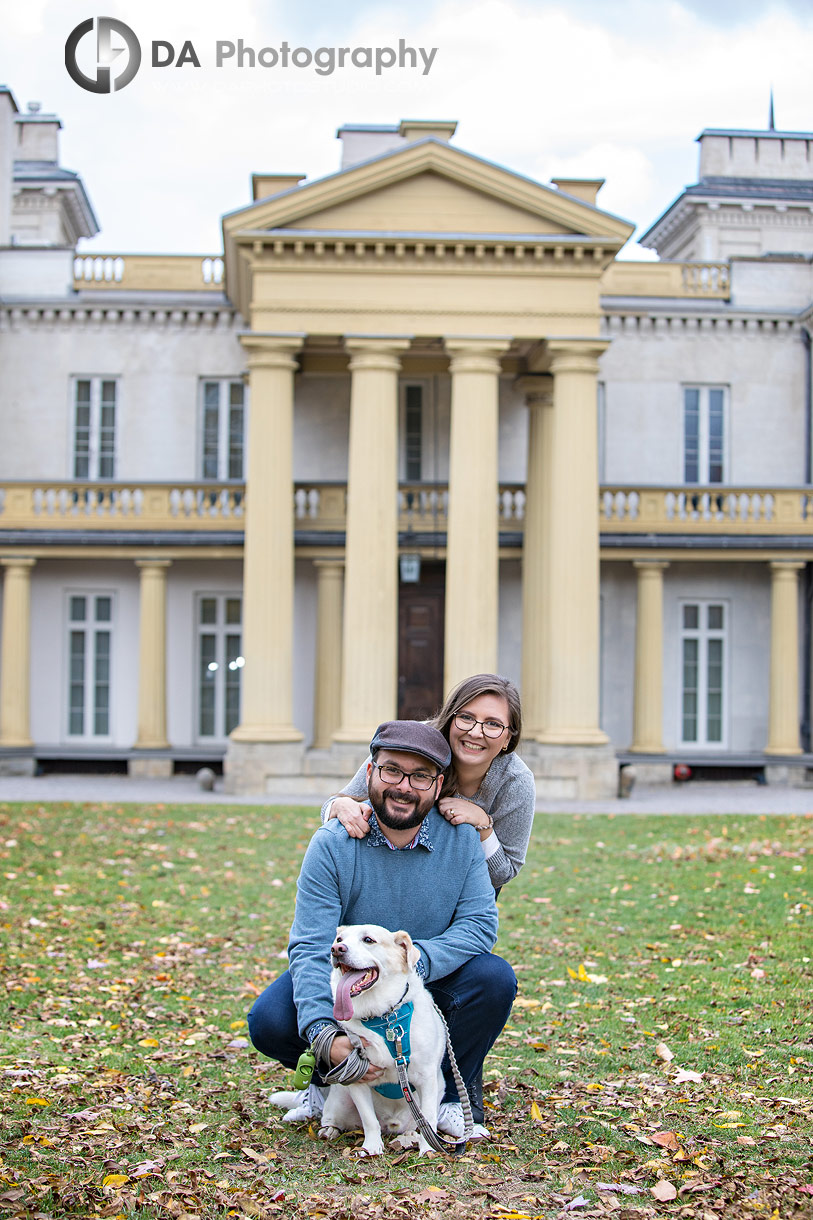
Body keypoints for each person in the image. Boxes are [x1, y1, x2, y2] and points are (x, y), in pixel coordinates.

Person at [247, 720, 517, 1141]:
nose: (404, 786)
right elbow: (311, 944)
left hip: (428, 980)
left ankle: (442, 1096)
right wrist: (323, 1034)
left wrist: (413, 961)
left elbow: (480, 924)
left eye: (421, 776)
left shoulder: (461, 840)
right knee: (270, 1020)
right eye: (392, 770)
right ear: (370, 773)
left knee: (494, 978)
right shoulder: (334, 843)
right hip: (349, 980)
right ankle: (331, 1080)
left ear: (438, 784)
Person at [322, 674, 536, 893]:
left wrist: (483, 825)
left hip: (462, 893)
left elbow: (503, 873)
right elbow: (336, 806)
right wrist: (339, 806)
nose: (475, 732)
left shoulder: (515, 781)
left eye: (493, 724)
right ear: (451, 717)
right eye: (466, 717)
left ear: (508, 738)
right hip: (388, 875)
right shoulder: (413, 742)